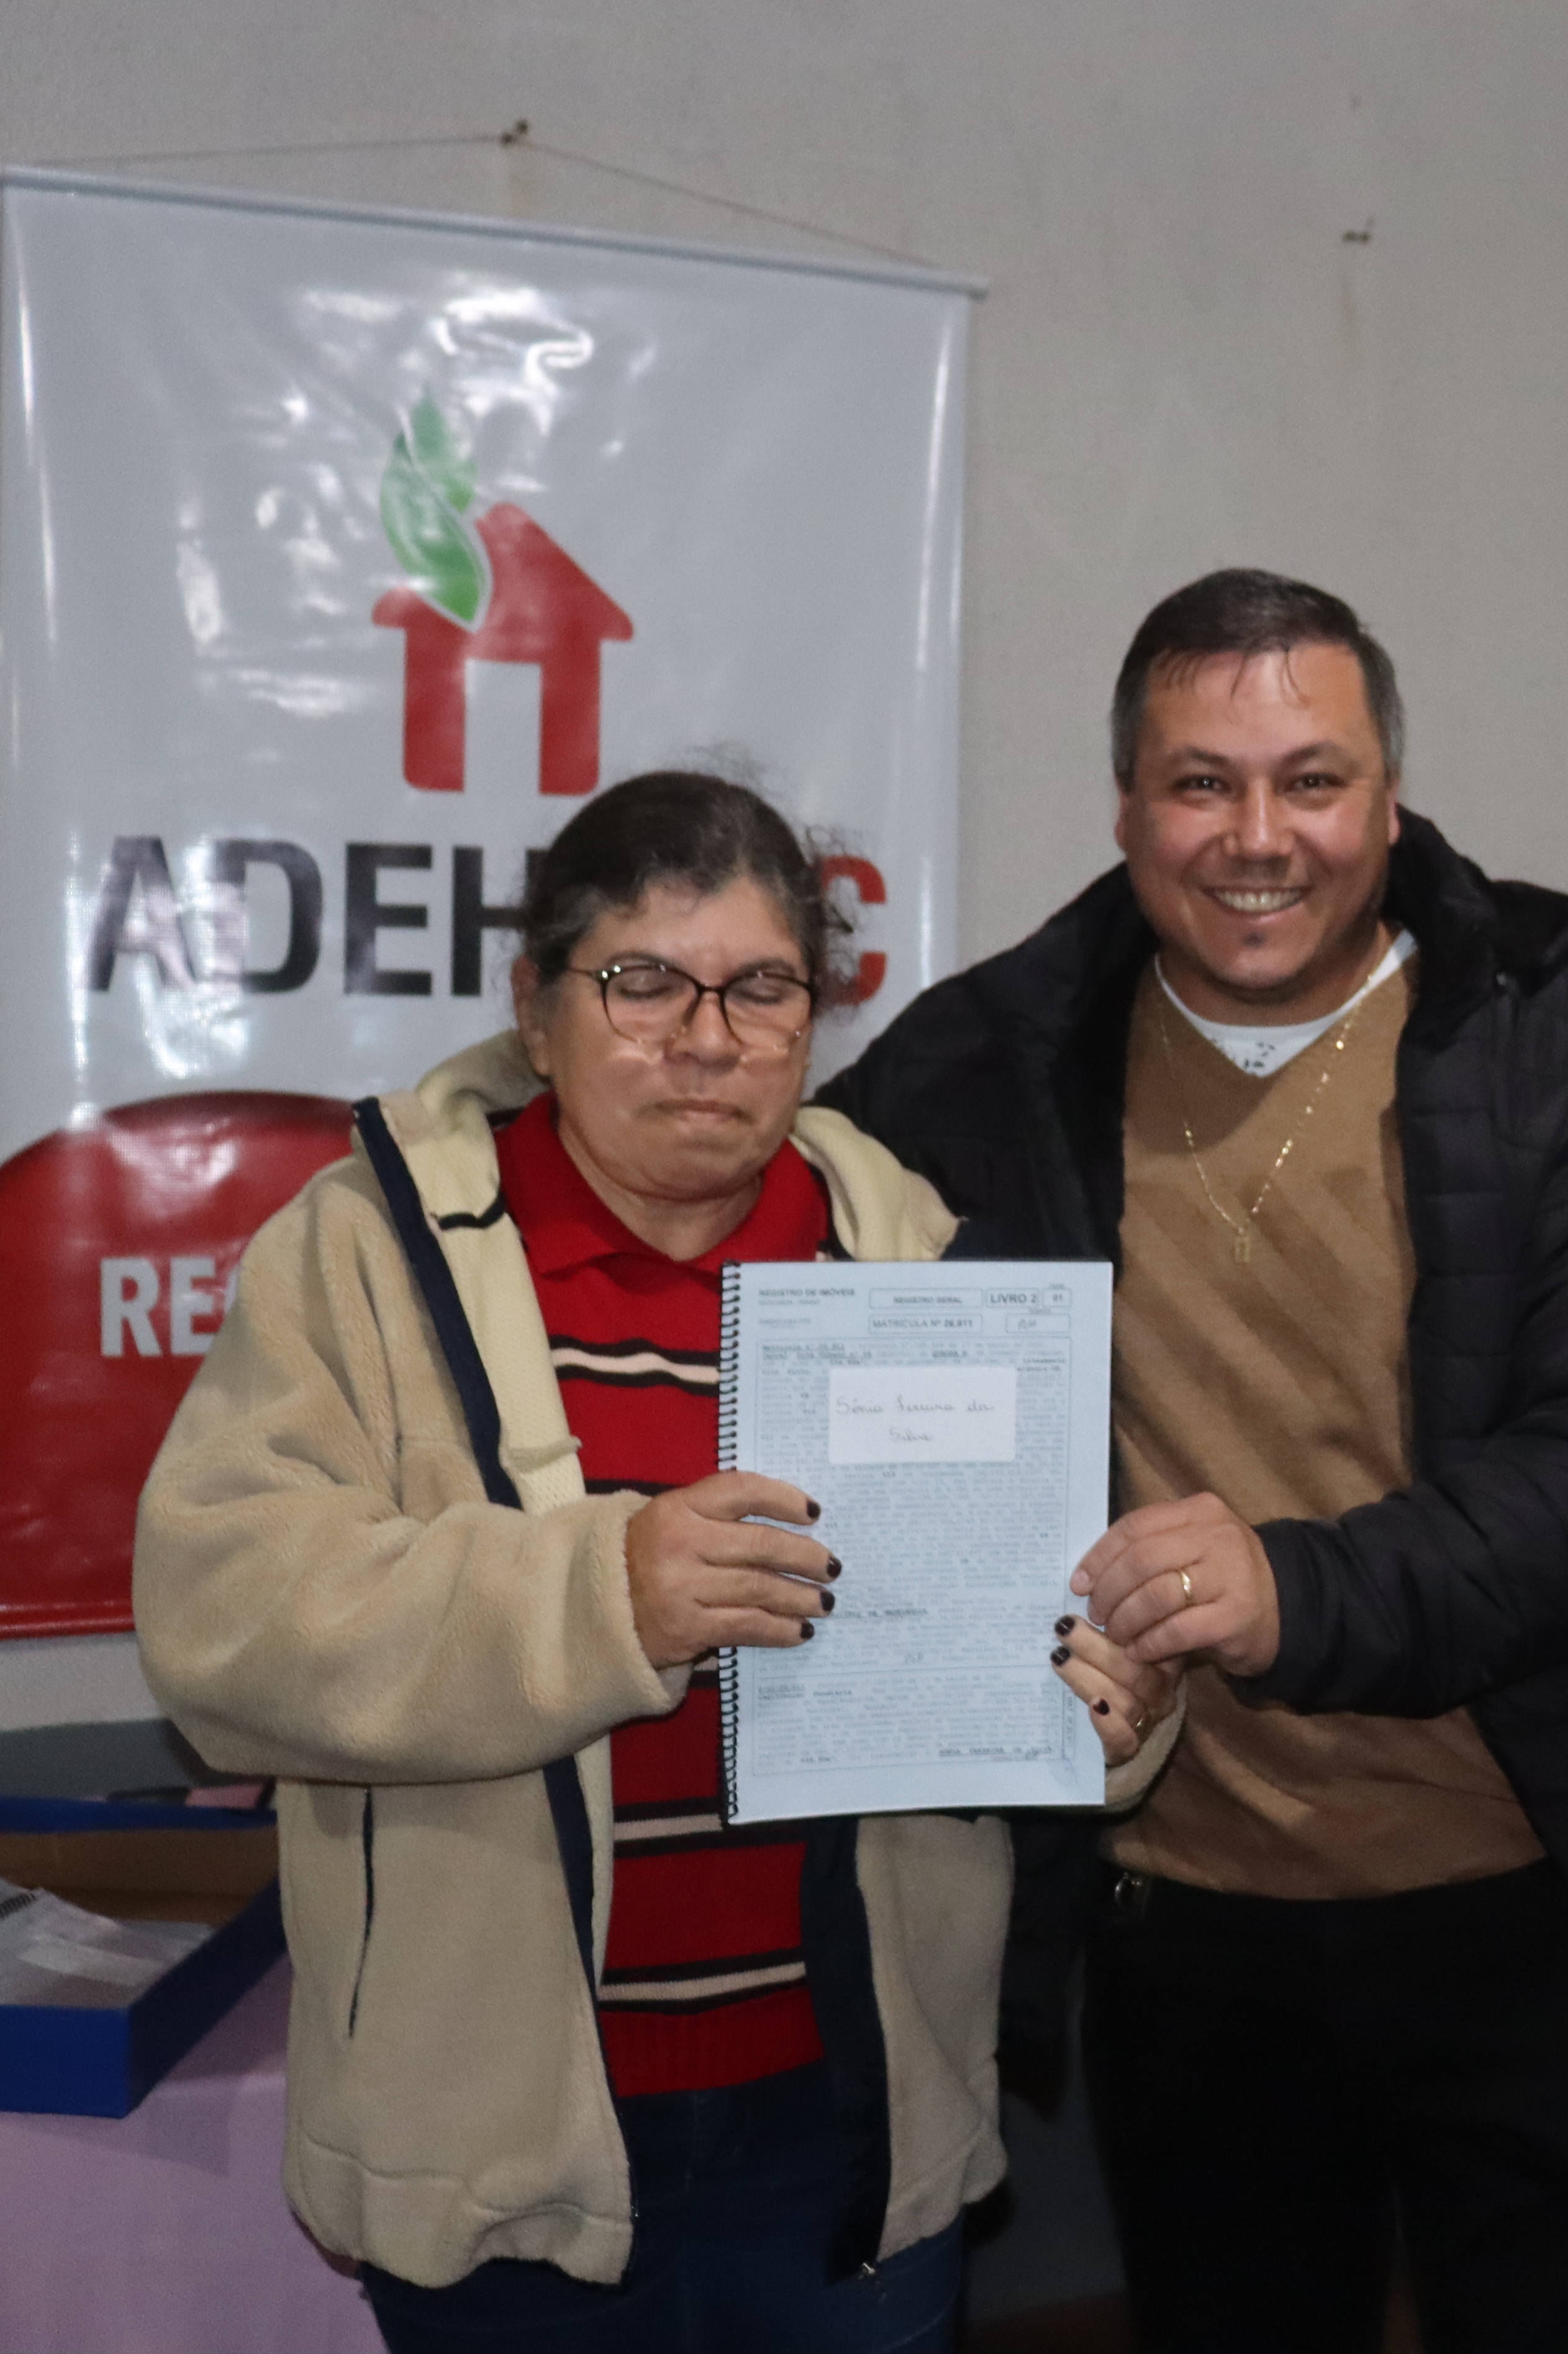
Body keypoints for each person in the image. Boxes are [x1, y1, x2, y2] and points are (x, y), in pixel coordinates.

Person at [133, 772, 1178, 2353]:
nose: (707, 1038)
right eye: (643, 982)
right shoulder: (364, 1252)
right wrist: (602, 1596)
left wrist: (1111, 1700)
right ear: (535, 1008)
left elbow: (1041, 1631)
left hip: (849, 2126)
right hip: (502, 2152)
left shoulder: (919, 1257)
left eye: (762, 987)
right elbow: (221, 1627)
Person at [818, 569, 1568, 2353]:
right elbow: (820, 1361)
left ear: (1387, 800)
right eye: (1202, 783)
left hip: (1520, 1908)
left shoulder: (1565, 1058)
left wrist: (1293, 1590)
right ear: (1125, 806)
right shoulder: (980, 1065)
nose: (1259, 838)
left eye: (1311, 780)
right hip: (1182, 1933)